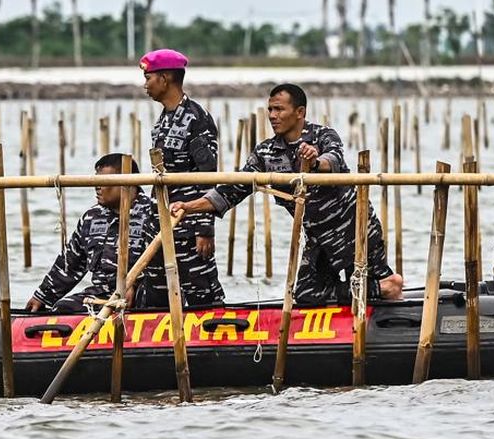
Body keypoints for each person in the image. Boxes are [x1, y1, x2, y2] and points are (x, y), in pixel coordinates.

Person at [170, 83, 403, 304]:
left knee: (365, 280)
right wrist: (188, 207)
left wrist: (313, 162)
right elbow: (230, 191)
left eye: (279, 109)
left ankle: (386, 290)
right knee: (306, 294)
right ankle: (382, 288)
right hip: (317, 236)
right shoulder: (266, 152)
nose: (272, 115)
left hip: (354, 228)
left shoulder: (322, 136)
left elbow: (333, 160)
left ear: (299, 112)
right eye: (270, 109)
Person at [140, 48, 225, 308]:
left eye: (149, 78)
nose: (145, 85)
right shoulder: (162, 121)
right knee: (157, 294)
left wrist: (204, 229)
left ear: (165, 79)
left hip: (188, 225)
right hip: (161, 223)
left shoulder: (197, 119)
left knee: (203, 294)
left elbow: (207, 176)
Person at [26, 154, 163, 313]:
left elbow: (163, 261)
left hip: (145, 293)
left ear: (128, 184)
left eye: (104, 182)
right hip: (102, 293)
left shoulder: (154, 213)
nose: (97, 187)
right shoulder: (91, 217)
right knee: (62, 308)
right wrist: (42, 296)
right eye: (96, 181)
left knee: (150, 297)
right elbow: (70, 263)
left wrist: (134, 283)